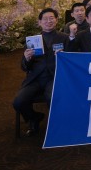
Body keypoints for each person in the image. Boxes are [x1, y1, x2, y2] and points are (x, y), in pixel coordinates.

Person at [13, 8, 69, 137]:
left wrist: (64, 56)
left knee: (52, 98)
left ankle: (57, 126)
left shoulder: (64, 38)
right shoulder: (32, 40)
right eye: (45, 19)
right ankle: (34, 118)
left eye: (51, 18)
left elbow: (71, 61)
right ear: (39, 22)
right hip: (35, 79)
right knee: (18, 102)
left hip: (54, 77)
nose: (48, 21)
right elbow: (24, 67)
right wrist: (27, 58)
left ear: (56, 20)